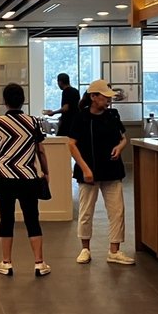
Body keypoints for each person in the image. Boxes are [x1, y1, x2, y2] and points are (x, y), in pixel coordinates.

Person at [66, 79, 135, 266]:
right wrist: (85, 168)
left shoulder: (113, 115)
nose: (108, 101)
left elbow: (123, 138)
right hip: (88, 173)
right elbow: (71, 144)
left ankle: (114, 251)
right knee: (86, 211)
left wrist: (120, 147)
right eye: (105, 97)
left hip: (112, 170)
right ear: (94, 97)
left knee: (117, 211)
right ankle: (85, 249)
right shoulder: (81, 117)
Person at [0, 83, 50, 277]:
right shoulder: (33, 122)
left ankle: (6, 263)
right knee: (32, 218)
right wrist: (46, 172)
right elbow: (40, 150)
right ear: (23, 100)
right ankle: (39, 263)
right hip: (28, 177)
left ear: (4, 101)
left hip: (4, 177)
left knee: (6, 219)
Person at [42, 72, 80, 137]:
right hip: (76, 121)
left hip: (67, 123)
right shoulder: (76, 91)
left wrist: (53, 112)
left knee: (60, 139)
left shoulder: (66, 91)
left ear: (60, 82)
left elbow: (66, 108)